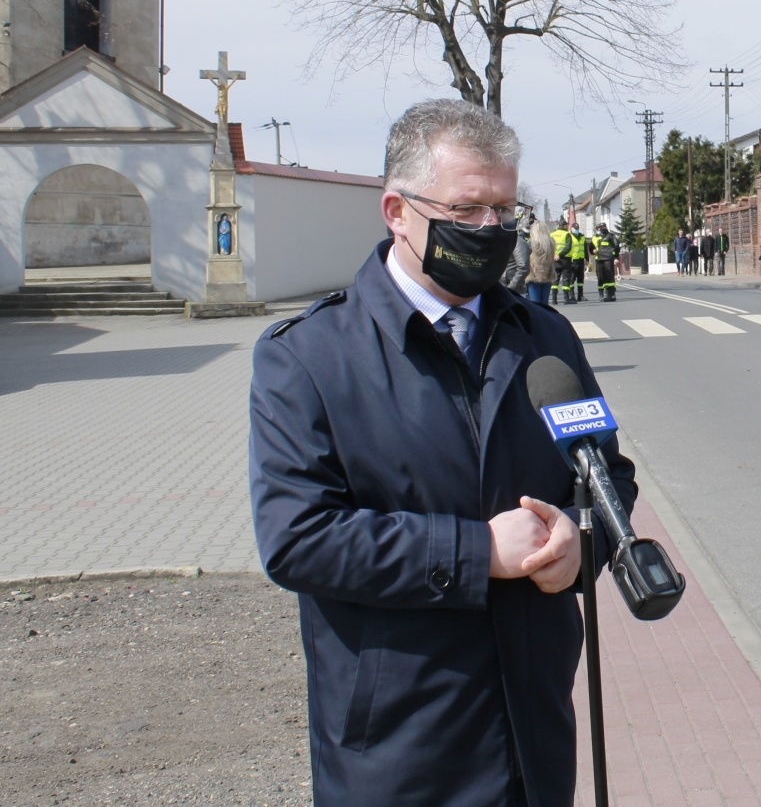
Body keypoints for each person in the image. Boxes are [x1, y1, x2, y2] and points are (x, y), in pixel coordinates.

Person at [249, 98, 637, 807]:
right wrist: (476, 552)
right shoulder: (309, 358)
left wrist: (583, 548)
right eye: (466, 211)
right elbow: (297, 540)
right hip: (400, 750)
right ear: (396, 210)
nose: (491, 230)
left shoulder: (546, 339)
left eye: (505, 210)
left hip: (535, 736)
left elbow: (606, 474)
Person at [501, 209, 533, 295]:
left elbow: (523, 268)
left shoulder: (518, 242)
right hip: (500, 289)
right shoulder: (501, 240)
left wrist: (511, 287)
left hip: (513, 291)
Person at [526, 216, 555, 305]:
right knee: (545, 304)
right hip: (547, 274)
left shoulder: (531, 243)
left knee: (535, 303)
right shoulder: (551, 243)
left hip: (534, 275)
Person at [591, 223, 618, 302]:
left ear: (605, 227)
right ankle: (601, 294)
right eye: (599, 228)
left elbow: (616, 246)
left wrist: (615, 257)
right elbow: (591, 249)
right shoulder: (595, 237)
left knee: (609, 276)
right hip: (599, 259)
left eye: (602, 227)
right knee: (600, 277)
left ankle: (611, 294)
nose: (600, 229)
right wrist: (593, 251)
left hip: (608, 259)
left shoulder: (611, 236)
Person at [550, 218, 573, 305]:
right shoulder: (567, 234)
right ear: (564, 226)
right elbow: (568, 247)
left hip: (554, 259)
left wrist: (554, 255)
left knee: (555, 279)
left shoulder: (552, 234)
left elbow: (549, 246)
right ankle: (566, 298)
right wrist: (560, 255)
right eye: (566, 225)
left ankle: (554, 299)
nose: (567, 227)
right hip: (565, 259)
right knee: (566, 279)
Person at [567, 223, 588, 302]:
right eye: (575, 228)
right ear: (572, 229)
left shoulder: (582, 237)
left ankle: (580, 296)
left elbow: (585, 248)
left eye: (577, 228)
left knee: (580, 279)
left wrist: (587, 258)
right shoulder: (569, 236)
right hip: (573, 260)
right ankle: (572, 296)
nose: (576, 230)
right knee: (572, 279)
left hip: (581, 260)